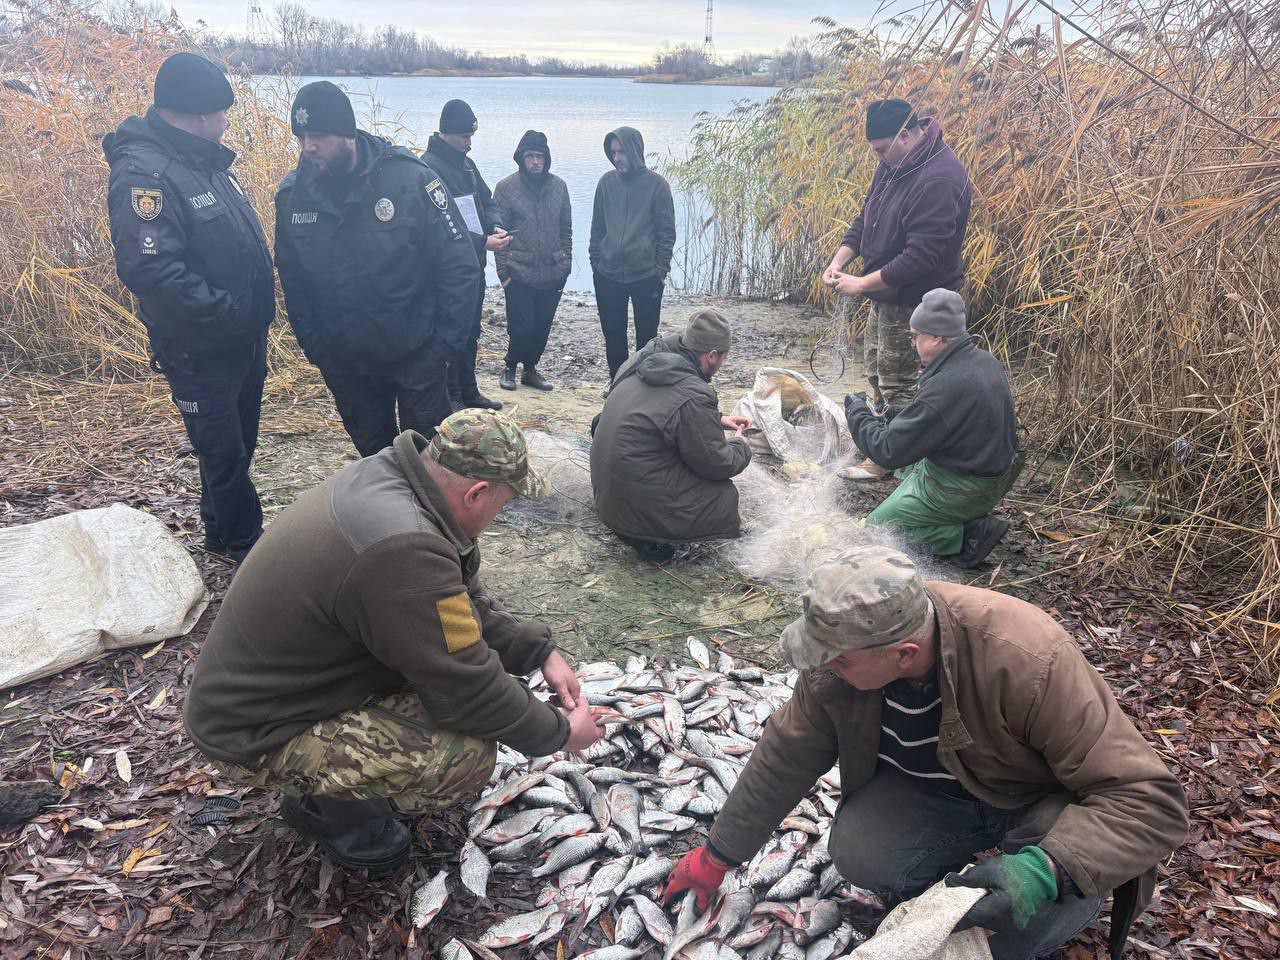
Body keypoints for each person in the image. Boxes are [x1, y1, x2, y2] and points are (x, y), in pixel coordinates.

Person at [663, 546, 1188, 960]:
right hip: (945, 795)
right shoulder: (842, 659)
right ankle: (964, 879)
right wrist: (718, 855)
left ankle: (1066, 887)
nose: (822, 668)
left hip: (1039, 804)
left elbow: (1150, 801)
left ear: (904, 654)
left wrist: (1047, 869)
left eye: (837, 660)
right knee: (861, 852)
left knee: (1003, 939)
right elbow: (786, 753)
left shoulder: (1028, 659)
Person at [183, 411, 606, 873]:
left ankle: (329, 786)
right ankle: (329, 812)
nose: (498, 516)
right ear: (476, 493)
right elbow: (466, 690)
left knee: (471, 697)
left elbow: (455, 607)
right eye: (502, 504)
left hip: (282, 689)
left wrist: (537, 651)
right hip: (252, 731)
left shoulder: (393, 479)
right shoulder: (405, 547)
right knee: (463, 756)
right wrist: (561, 733)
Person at [104, 52, 275, 564]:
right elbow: (152, 271)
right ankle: (247, 549)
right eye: (222, 111)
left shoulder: (203, 162)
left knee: (239, 443)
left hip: (241, 337)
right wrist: (229, 313)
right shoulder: (145, 175)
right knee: (223, 452)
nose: (227, 121)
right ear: (198, 113)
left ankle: (220, 535)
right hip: (201, 346)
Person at [274, 82, 482, 456]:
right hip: (348, 364)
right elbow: (294, 280)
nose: (308, 147)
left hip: (418, 355)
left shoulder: (409, 180)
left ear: (348, 134)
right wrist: (319, 351)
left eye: (319, 136)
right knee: (376, 464)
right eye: (301, 137)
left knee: (428, 462)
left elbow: (460, 267)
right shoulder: (295, 196)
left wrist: (441, 351)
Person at [822, 98, 972, 479]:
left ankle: (897, 459)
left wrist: (861, 284)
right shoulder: (893, 163)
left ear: (905, 135)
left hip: (918, 304)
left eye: (881, 149)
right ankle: (881, 444)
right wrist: (839, 262)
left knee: (902, 383)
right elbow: (865, 218)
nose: (878, 158)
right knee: (877, 371)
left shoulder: (940, 177)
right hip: (885, 296)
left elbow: (919, 258)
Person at [841, 289, 1021, 566]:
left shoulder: (946, 385)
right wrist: (894, 416)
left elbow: (888, 452)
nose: (913, 343)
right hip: (994, 475)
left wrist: (857, 413)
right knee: (906, 460)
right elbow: (946, 419)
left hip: (963, 489)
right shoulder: (984, 361)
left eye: (915, 336)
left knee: (876, 532)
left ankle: (965, 535)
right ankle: (949, 516)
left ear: (936, 338)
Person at [590, 308, 751, 563]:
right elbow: (718, 464)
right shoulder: (694, 393)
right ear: (711, 355)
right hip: (632, 513)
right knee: (723, 497)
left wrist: (716, 419)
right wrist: (741, 446)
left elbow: (656, 408)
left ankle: (638, 525)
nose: (722, 362)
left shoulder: (645, 358)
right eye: (723, 357)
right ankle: (651, 540)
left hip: (606, 496)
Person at [424, 99, 510, 412]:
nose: (469, 143)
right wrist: (482, 241)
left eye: (471, 136)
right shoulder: (428, 168)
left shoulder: (467, 165)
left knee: (472, 330)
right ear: (446, 133)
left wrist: (495, 225)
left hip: (474, 266)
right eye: (464, 137)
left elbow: (488, 201)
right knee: (452, 333)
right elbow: (437, 225)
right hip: (447, 271)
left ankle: (469, 390)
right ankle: (452, 396)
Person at [589, 126, 676, 379]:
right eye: (614, 152)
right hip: (608, 274)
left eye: (622, 152)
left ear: (635, 151)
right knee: (613, 333)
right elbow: (597, 228)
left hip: (646, 275)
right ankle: (617, 382)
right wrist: (596, 263)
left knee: (646, 338)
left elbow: (666, 233)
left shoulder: (657, 185)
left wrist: (660, 271)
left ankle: (642, 383)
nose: (617, 158)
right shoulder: (606, 183)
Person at [492, 130, 571, 393]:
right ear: (521, 158)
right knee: (521, 326)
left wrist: (566, 264)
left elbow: (566, 228)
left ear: (546, 159)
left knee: (542, 326)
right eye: (530, 156)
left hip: (552, 270)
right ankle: (510, 366)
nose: (535, 162)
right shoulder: (505, 188)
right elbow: (498, 232)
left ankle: (530, 370)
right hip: (519, 270)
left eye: (540, 156)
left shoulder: (559, 187)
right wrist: (503, 274)